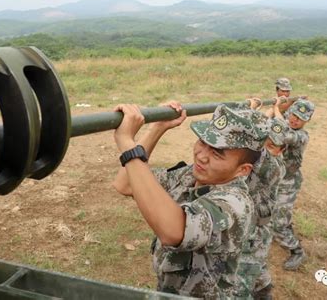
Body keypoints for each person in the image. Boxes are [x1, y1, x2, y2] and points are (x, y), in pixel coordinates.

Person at [112, 102, 269, 299]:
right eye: (203, 141)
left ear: (242, 170)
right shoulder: (190, 175)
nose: (201, 156)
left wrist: (128, 144)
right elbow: (125, 183)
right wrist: (157, 128)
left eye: (217, 153)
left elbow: (174, 231)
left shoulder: (235, 203)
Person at [238, 111, 289, 299]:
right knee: (257, 266)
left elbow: (254, 147)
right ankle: (264, 291)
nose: (265, 149)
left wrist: (250, 112)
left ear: (281, 150)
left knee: (240, 283)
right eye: (265, 142)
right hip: (254, 229)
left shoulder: (273, 167)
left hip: (254, 234)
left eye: (271, 146)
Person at [268, 98, 315, 271]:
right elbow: (278, 122)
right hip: (276, 178)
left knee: (278, 222)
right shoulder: (286, 122)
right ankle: (283, 227)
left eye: (300, 118)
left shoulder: (301, 136)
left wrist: (275, 109)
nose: (295, 119)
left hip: (288, 182)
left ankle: (297, 251)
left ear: (307, 121)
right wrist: (277, 109)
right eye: (293, 114)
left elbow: (279, 133)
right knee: (273, 211)